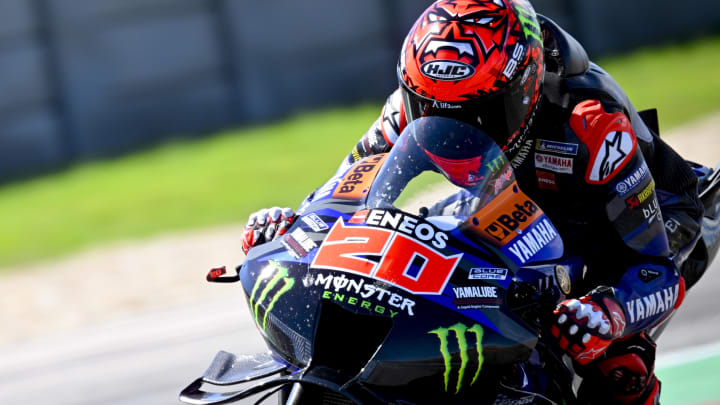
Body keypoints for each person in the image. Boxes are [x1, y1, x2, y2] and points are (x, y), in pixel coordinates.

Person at [241, 0, 704, 403]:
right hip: (502, 202)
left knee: (614, 362)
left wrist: (610, 312)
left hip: (632, 216)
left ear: (524, 89)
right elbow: (346, 189)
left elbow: (653, 268)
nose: (450, 132)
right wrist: (295, 224)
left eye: (475, 115)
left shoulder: (590, 124)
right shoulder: (410, 105)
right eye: (432, 111)